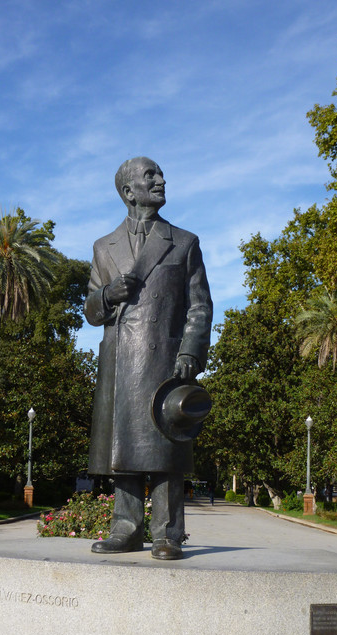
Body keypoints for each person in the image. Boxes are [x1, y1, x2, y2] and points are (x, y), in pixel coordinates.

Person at [84, 157, 213, 560]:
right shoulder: (103, 248)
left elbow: (200, 306)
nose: (160, 180)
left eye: (159, 174)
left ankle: (167, 533)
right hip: (123, 360)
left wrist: (191, 349)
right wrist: (108, 295)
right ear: (128, 192)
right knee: (123, 447)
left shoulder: (184, 241)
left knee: (166, 446)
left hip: (164, 361)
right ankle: (126, 528)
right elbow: (90, 311)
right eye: (150, 176)